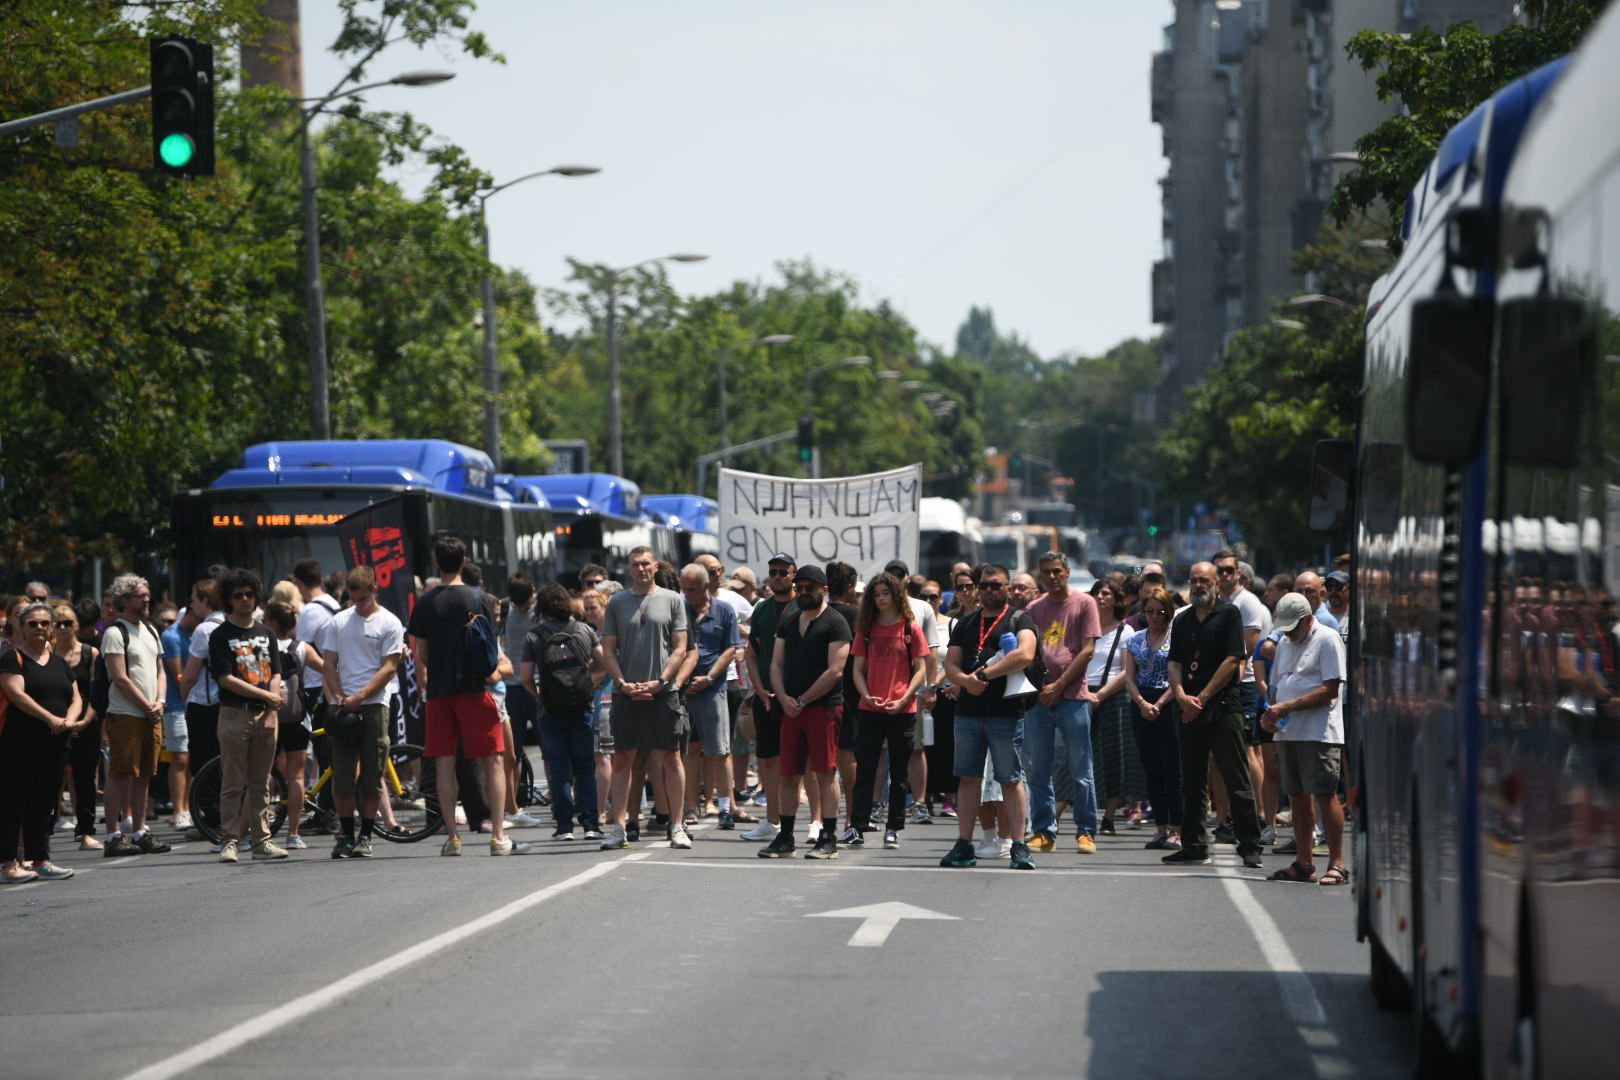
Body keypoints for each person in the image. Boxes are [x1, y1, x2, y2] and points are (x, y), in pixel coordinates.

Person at [407, 537, 528, 857]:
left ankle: (452, 837)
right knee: (494, 760)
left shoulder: (424, 602)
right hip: (474, 690)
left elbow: (423, 653)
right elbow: (489, 643)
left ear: (438, 563)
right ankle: (499, 835)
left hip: (439, 694)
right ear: (463, 562)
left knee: (445, 764)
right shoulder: (479, 599)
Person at [939, 563, 1039, 870]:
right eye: (985, 586)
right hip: (968, 712)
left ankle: (1019, 845)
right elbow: (951, 665)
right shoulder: (966, 623)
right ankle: (964, 843)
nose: (989, 591)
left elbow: (1025, 654)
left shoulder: (1019, 618)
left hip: (1005, 713)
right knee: (968, 778)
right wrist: (967, 682)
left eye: (996, 586)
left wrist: (983, 675)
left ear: (1008, 589)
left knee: (1010, 779)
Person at [1164, 562, 1264, 869]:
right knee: (1191, 781)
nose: (1198, 585)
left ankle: (1249, 844)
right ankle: (1194, 844)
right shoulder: (1182, 621)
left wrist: (1202, 698)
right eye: (1194, 580)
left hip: (1222, 708)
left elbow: (1234, 658)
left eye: (1204, 580)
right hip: (1187, 710)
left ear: (1216, 584)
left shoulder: (1229, 614)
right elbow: (1175, 663)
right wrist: (1181, 697)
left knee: (1236, 777)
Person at [598, 546, 690, 850]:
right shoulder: (617, 602)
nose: (641, 569)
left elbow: (680, 647)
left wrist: (662, 680)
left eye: (646, 564)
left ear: (655, 566)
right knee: (623, 757)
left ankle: (677, 825)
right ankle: (619, 827)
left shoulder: (673, 599)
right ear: (628, 568)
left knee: (671, 756)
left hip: (663, 692)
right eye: (635, 564)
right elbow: (608, 648)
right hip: (626, 694)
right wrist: (622, 682)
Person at [758, 564, 851, 859]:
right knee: (788, 775)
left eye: (810, 587)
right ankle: (785, 837)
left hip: (823, 709)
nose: (804, 592)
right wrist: (784, 698)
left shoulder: (836, 623)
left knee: (824, 772)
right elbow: (775, 664)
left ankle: (829, 836)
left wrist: (802, 699)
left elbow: (835, 670)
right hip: (790, 710)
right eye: (800, 587)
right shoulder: (790, 620)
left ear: (823, 590)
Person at [1262, 593, 1348, 885]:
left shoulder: (1327, 638)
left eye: (1293, 627)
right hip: (1289, 732)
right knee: (1297, 796)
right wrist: (1272, 714)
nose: (1288, 633)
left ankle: (1337, 864)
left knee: (1325, 794)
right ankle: (1303, 861)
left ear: (1309, 619)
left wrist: (1287, 707)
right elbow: (1277, 687)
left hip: (1319, 732)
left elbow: (1330, 690)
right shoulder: (1286, 642)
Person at [322, 566, 405, 860]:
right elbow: (328, 663)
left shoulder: (390, 623)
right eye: (353, 599)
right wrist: (339, 696)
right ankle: (345, 834)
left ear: (374, 591)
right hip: (342, 704)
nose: (357, 605)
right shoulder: (338, 622)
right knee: (342, 775)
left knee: (372, 774)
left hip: (374, 705)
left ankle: (366, 835)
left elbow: (389, 667)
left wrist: (361, 695)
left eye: (362, 599)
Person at [1, 602, 86, 882]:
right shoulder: (13, 658)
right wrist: (50, 718)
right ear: (20, 628)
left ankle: (40, 859)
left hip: (56, 743)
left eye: (45, 623)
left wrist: (69, 720)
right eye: (33, 624)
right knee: (14, 802)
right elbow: (16, 695)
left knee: (44, 803)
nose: (40, 628)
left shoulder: (59, 662)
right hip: (20, 743)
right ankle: (7, 863)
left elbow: (75, 697)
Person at [1023, 550, 1101, 854]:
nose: (1052, 577)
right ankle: (1044, 831)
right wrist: (1045, 684)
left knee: (1081, 769)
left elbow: (1087, 651)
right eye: (1046, 572)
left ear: (1067, 572)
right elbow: (1032, 652)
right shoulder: (1033, 607)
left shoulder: (1085, 603)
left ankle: (1086, 831)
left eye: (1057, 570)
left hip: (1073, 698)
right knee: (1039, 770)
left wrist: (1058, 685)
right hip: (1040, 699)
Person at [208, 569, 288, 864]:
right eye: (237, 595)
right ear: (229, 599)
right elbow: (225, 678)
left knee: (261, 783)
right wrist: (266, 696)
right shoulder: (221, 635)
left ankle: (261, 840)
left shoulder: (266, 633)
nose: (244, 600)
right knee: (232, 783)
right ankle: (229, 841)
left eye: (249, 594)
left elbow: (276, 672)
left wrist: (271, 708)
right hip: (233, 715)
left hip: (266, 715)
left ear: (256, 596)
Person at [850, 571, 929, 849]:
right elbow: (857, 669)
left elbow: (920, 669)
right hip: (870, 708)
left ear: (896, 595)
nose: (881, 599)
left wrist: (906, 697)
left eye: (885, 593)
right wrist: (867, 695)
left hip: (903, 709)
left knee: (899, 772)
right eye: (876, 594)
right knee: (866, 770)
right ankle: (857, 826)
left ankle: (893, 827)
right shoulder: (867, 629)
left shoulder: (910, 628)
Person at [523, 583, 605, 842]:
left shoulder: (534, 636)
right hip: (582, 707)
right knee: (585, 766)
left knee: (558, 768)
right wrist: (589, 683)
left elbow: (525, 676)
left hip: (550, 710)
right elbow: (603, 662)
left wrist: (540, 696)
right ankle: (591, 823)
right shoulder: (584, 630)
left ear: (542, 609)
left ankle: (564, 827)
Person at [100, 574, 171, 858]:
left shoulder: (151, 630)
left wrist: (160, 702)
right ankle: (113, 835)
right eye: (141, 595)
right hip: (126, 714)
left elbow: (160, 672)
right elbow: (119, 678)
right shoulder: (115, 633)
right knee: (120, 775)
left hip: (151, 714)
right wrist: (146, 705)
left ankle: (140, 831)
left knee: (144, 775)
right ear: (125, 600)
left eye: (147, 594)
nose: (147, 599)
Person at [740, 552, 798, 843]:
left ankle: (814, 823)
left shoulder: (803, 606)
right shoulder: (762, 609)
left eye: (782, 572)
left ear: (793, 574)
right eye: (772, 572)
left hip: (798, 697)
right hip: (766, 697)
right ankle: (771, 821)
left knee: (809, 763)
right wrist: (759, 688)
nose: (776, 577)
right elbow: (752, 653)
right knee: (767, 759)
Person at [678, 563, 741, 831]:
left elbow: (730, 649)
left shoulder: (724, 610)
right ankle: (691, 806)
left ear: (705, 586)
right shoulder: (679, 610)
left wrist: (710, 678)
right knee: (689, 748)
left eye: (692, 589)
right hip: (683, 687)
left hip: (713, 687)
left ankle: (725, 807)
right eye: (684, 589)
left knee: (720, 749)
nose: (687, 594)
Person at [1125, 586, 1180, 849]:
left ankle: (1177, 828)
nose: (1155, 616)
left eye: (1160, 611)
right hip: (1141, 701)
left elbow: (1177, 675)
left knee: (1172, 769)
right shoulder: (1134, 639)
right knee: (1152, 768)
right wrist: (1142, 703)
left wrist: (1158, 703)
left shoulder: (1176, 637)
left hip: (1167, 701)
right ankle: (1160, 826)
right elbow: (1128, 676)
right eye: (1149, 611)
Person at [1088, 578, 1143, 835]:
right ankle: (1056, 815)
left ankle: (1109, 816)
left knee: (1113, 758)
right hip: (1082, 693)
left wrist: (1100, 696)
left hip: (1114, 697)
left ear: (1117, 600)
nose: (1101, 597)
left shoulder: (1126, 632)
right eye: (1097, 592)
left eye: (1106, 593)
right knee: (1072, 757)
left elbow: (1126, 672)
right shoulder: (1083, 629)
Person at [53, 601, 104, 850]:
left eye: (68, 623)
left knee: (85, 779)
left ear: (76, 626)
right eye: (58, 624)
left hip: (85, 722)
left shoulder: (89, 653)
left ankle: (85, 831)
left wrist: (85, 720)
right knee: (51, 779)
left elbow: (97, 692)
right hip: (54, 723)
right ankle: (42, 832)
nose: (63, 628)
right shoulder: (47, 653)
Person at [180, 578, 227, 840]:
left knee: (202, 763)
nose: (191, 605)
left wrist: (185, 697)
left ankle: (212, 818)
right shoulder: (232, 624)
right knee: (226, 762)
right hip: (229, 703)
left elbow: (190, 674)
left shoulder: (204, 630)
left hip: (205, 703)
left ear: (206, 601)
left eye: (195, 600)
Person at [158, 598, 195, 833]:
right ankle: (179, 810)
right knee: (180, 758)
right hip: (176, 705)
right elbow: (180, 676)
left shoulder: (196, 635)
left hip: (194, 705)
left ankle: (189, 808)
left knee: (192, 759)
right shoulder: (171, 637)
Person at [580, 587, 613, 832]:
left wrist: (594, 678)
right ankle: (608, 807)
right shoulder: (593, 632)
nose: (589, 612)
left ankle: (602, 810)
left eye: (594, 608)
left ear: (604, 607)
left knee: (603, 754)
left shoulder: (609, 633)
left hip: (607, 697)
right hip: (598, 696)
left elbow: (612, 665)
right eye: (587, 608)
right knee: (603, 755)